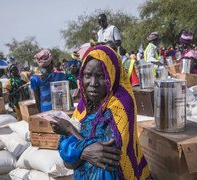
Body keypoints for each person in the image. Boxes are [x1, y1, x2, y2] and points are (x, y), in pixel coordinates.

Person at [50, 45, 152, 179]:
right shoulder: (82, 108)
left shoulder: (121, 104)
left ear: (112, 75)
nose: (93, 83)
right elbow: (68, 163)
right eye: (87, 75)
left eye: (101, 76)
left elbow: (107, 156)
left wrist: (70, 131)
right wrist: (84, 151)